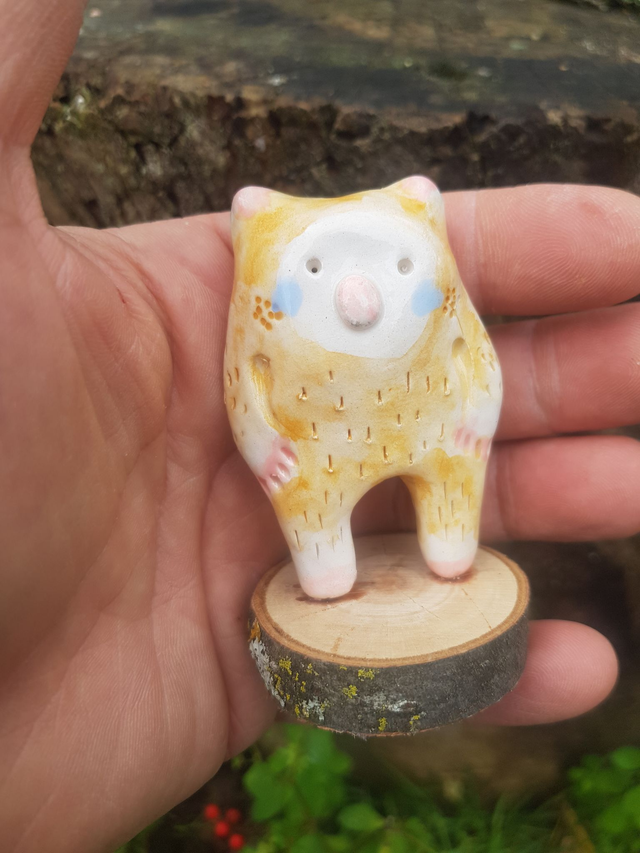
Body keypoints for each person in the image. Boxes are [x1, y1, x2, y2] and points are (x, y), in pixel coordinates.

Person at [1, 1, 638, 850]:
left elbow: (475, 361)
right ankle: (325, 557)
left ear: (424, 237)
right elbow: (248, 391)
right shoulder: (257, 286)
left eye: (398, 265)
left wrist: (474, 411)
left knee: (451, 507)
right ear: (261, 246)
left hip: (433, 425)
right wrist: (264, 442)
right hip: (315, 449)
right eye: (315, 267)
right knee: (316, 516)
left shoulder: (438, 276)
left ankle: (448, 535)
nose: (360, 296)